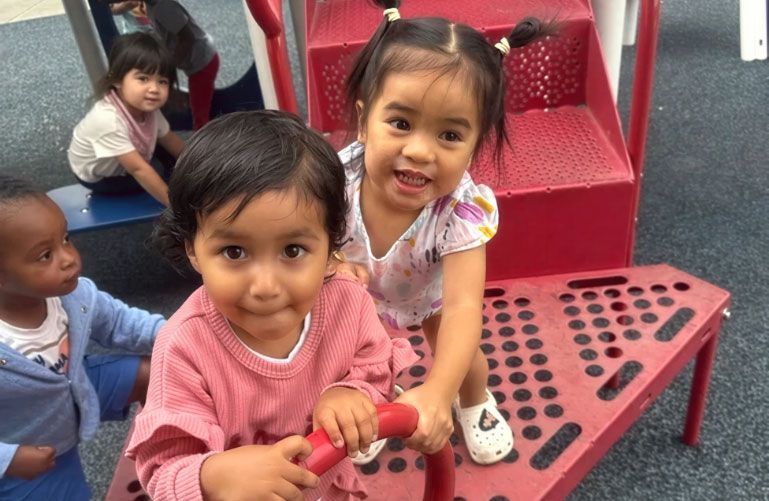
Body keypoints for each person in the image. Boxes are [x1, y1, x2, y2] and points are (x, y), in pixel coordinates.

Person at [126, 111, 418, 500]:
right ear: (192, 250)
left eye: (293, 250)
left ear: (331, 247)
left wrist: (353, 392)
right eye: (234, 251)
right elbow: (162, 472)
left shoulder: (347, 305)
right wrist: (212, 476)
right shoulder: (184, 348)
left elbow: (375, 365)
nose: (265, 287)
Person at [336, 0, 556, 465]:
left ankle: (475, 401)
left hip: (432, 297)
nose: (418, 150)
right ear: (362, 121)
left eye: (450, 136)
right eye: (400, 123)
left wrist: (437, 392)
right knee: (360, 353)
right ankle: (370, 396)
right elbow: (304, 236)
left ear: (475, 147)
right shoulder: (336, 180)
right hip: (364, 297)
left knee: (463, 356)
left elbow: (462, 307)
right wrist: (331, 264)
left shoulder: (460, 211)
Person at [0, 175, 165, 500]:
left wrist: (182, 336)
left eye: (65, 239)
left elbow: (123, 322)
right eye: (44, 255)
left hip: (81, 387)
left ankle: (169, 449)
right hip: (33, 449)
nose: (69, 258)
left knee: (160, 368)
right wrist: (10, 458)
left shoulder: (73, 297)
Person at [68, 32, 185, 207]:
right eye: (143, 78)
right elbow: (139, 170)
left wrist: (207, 167)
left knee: (174, 159)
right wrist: (176, 206)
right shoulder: (108, 120)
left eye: (162, 81)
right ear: (117, 80)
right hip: (99, 177)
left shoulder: (150, 110)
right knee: (156, 170)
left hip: (126, 155)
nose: (154, 88)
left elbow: (172, 141)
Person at [143, 0, 220, 130]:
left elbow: (187, 37)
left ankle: (203, 145)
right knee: (200, 105)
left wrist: (171, 64)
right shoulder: (151, 4)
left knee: (200, 115)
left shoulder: (165, 7)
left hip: (202, 63)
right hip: (198, 61)